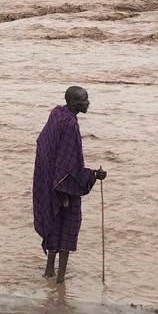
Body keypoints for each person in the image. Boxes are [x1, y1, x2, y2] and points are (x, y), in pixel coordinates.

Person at [32, 86, 107, 283]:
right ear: (74, 104)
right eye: (85, 100)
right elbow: (69, 167)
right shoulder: (70, 124)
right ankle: (60, 280)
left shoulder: (57, 115)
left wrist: (52, 181)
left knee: (54, 225)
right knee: (67, 229)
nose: (88, 103)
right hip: (64, 188)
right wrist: (94, 175)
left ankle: (49, 270)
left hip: (49, 183)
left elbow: (44, 146)